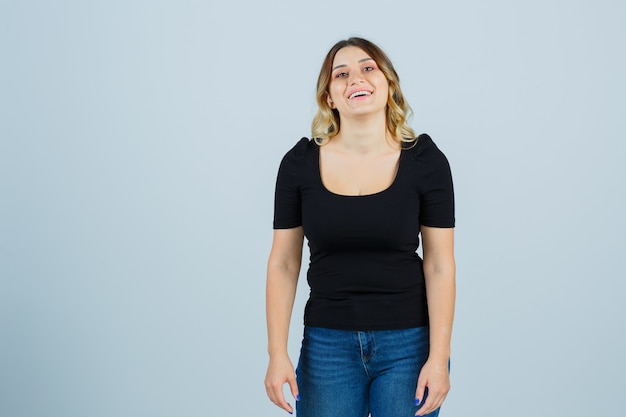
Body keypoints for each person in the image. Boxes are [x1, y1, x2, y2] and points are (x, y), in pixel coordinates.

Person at [264, 37, 456, 417]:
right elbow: (283, 264)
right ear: (330, 97)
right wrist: (276, 353)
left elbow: (439, 265)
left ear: (388, 85)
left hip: (409, 346)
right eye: (342, 74)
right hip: (326, 347)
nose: (356, 78)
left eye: (368, 68)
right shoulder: (298, 163)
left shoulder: (426, 161)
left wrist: (439, 358)